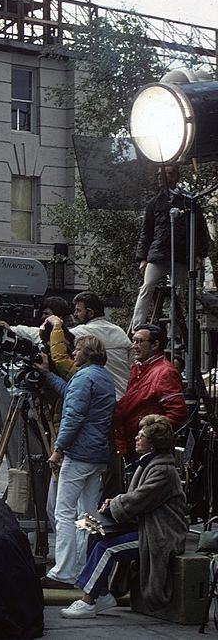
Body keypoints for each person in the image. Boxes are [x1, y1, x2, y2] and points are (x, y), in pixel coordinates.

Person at [60, 415, 187, 618]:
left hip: (160, 534)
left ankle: (88, 601)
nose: (136, 438)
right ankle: (100, 594)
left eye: (142, 435)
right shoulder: (148, 464)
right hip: (144, 527)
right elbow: (135, 499)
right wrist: (115, 503)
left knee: (107, 549)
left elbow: (139, 499)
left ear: (153, 444)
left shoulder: (163, 470)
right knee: (96, 533)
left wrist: (113, 503)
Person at [35, 334, 116, 588]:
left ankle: (63, 571)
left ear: (88, 352)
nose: (73, 354)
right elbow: (71, 393)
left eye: (78, 349)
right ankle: (83, 566)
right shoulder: (103, 376)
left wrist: (58, 449)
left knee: (64, 511)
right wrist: (48, 374)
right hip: (97, 453)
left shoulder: (84, 377)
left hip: (79, 453)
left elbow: (72, 416)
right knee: (87, 513)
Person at [130, 164, 211, 334]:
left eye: (168, 174)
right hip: (158, 254)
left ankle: (175, 333)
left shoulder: (189, 201)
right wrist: (142, 258)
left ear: (176, 177)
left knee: (179, 294)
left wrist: (200, 255)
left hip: (181, 255)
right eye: (161, 174)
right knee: (147, 286)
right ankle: (136, 326)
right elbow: (146, 231)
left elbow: (201, 229)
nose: (163, 177)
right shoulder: (154, 203)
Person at [113, 324, 187, 462]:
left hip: (149, 451)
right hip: (137, 447)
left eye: (140, 341)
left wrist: (150, 437)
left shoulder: (165, 372)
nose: (134, 346)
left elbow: (178, 413)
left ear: (155, 345)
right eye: (134, 341)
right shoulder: (138, 368)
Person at [69, 291, 131, 399]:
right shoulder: (119, 331)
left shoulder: (82, 331)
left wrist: (54, 323)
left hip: (104, 400)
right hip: (126, 397)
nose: (75, 315)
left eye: (78, 310)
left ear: (90, 313)